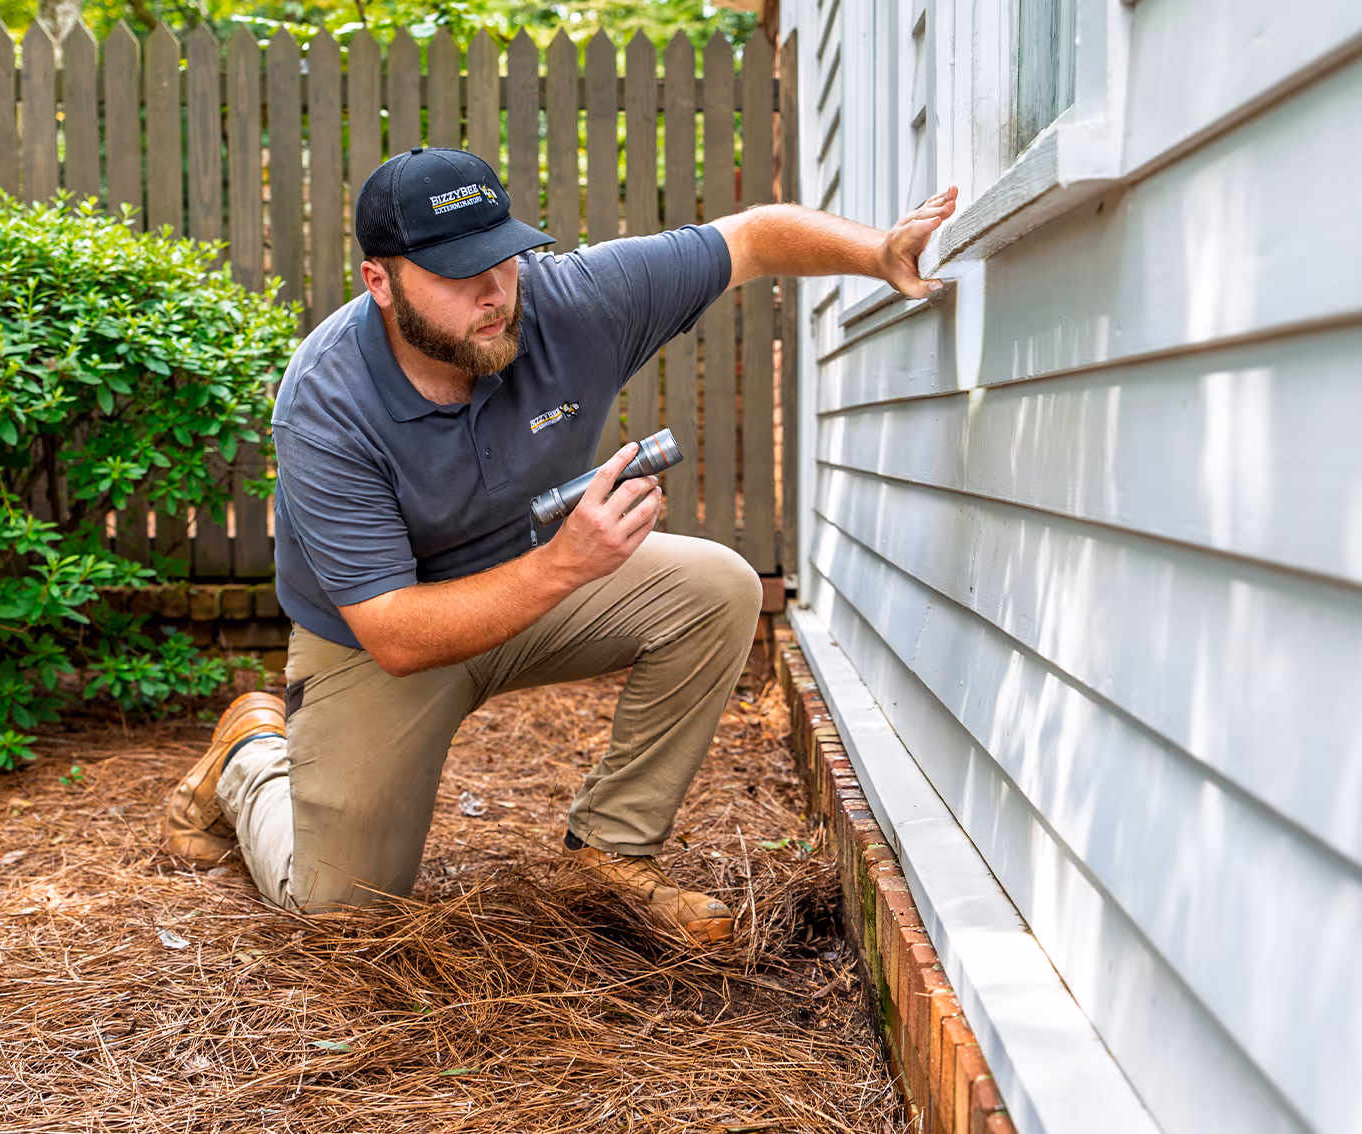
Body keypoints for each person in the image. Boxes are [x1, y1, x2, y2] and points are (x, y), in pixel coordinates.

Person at [163, 146, 957, 944]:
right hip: (379, 642)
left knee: (716, 586)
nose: (493, 294)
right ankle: (251, 759)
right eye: (456, 274)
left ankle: (609, 855)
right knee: (341, 915)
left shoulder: (575, 299)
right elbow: (393, 633)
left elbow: (751, 236)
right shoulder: (326, 402)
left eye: (503, 259)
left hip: (531, 582)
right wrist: (566, 562)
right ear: (381, 283)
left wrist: (877, 253)